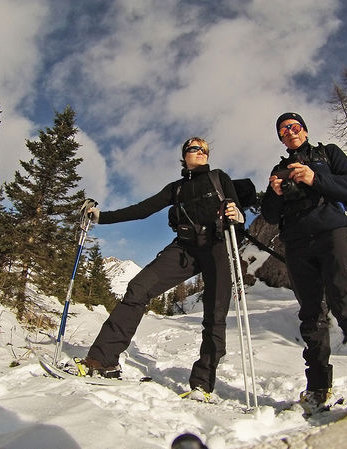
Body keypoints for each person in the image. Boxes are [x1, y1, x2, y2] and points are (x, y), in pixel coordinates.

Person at [79, 137, 244, 400]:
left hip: (216, 247)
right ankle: (102, 361)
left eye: (205, 149)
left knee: (215, 315)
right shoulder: (176, 188)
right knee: (138, 288)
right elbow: (142, 209)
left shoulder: (218, 178)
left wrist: (238, 216)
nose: (200, 152)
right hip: (184, 249)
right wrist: (102, 217)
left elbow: (237, 212)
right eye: (194, 148)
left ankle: (202, 384)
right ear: (184, 155)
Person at [261, 112, 347, 414]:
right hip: (295, 244)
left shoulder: (328, 154)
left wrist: (314, 177)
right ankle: (318, 388)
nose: (289, 131)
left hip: (332, 234)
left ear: (304, 130)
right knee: (311, 315)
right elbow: (268, 214)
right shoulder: (278, 169)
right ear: (281, 138)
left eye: (294, 126)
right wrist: (277, 193)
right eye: (283, 130)